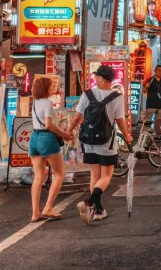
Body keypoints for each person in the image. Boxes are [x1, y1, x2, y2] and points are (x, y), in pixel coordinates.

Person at [69, 65, 131, 224]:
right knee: (106, 176)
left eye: (96, 76)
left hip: (88, 141)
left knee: (95, 175)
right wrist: (127, 136)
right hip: (107, 143)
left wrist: (68, 131)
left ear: (102, 78)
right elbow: (119, 120)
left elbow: (77, 117)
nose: (94, 78)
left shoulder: (87, 94)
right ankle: (88, 204)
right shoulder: (116, 97)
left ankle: (98, 210)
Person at [28, 76, 71, 223]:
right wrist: (64, 134)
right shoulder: (47, 102)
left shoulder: (35, 102)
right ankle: (48, 207)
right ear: (45, 88)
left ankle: (35, 213)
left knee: (38, 177)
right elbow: (49, 125)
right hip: (47, 138)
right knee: (59, 173)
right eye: (52, 86)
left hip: (34, 138)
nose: (54, 88)